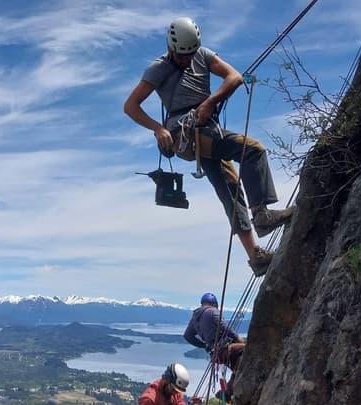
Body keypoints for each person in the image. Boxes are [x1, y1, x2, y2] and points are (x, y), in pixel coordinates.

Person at [124, 17, 292, 276]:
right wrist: (158, 128)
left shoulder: (202, 55)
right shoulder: (158, 68)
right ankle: (261, 214)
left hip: (207, 131)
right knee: (253, 149)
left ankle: (255, 257)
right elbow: (131, 105)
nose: (186, 59)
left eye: (190, 54)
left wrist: (210, 102)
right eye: (181, 55)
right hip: (186, 134)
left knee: (231, 190)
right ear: (171, 48)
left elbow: (233, 77)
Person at [184, 292, 245, 401]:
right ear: (214, 304)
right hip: (225, 349)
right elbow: (225, 328)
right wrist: (238, 338)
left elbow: (187, 336)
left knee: (239, 364)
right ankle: (229, 390)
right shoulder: (212, 311)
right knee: (249, 349)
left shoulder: (195, 318)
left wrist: (204, 345)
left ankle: (227, 391)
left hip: (216, 354)